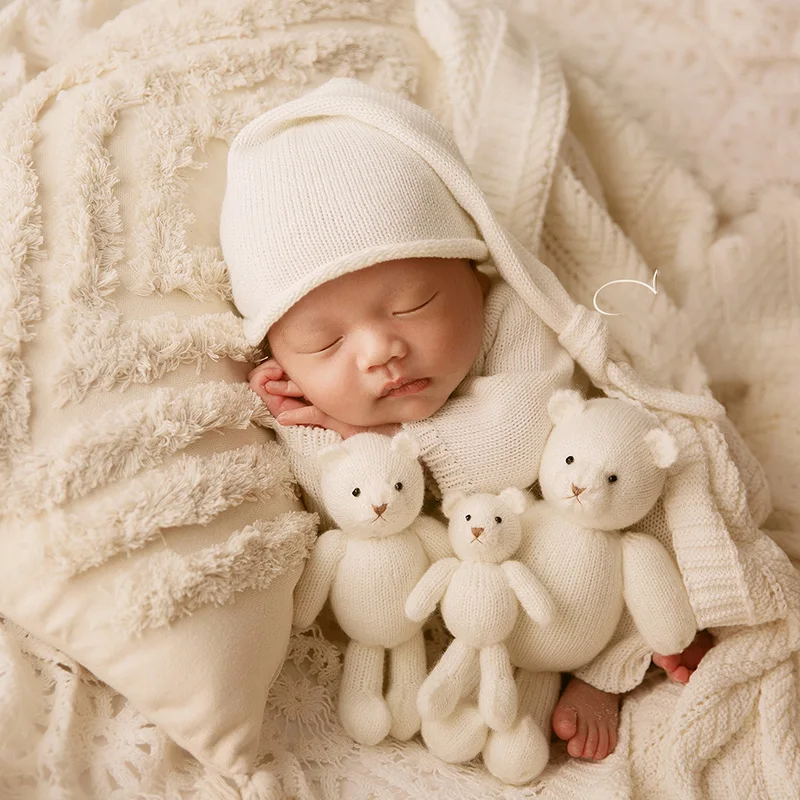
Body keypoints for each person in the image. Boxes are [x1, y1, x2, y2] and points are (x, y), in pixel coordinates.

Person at [219, 78, 715, 768]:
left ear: (473, 271)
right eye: (324, 345)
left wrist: (362, 438)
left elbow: (515, 445)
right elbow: (338, 500)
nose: (378, 351)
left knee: (623, 524)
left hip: (551, 530)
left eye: (413, 303)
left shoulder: (512, 315)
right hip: (450, 588)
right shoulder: (305, 405)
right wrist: (307, 432)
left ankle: (605, 670)